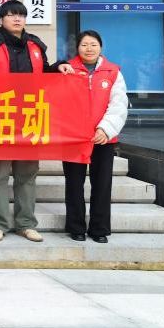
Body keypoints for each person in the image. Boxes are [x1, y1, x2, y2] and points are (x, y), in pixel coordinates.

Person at [0, 0, 71, 243]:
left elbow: (45, 72)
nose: (17, 19)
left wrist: (59, 67)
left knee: (27, 174)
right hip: (0, 118)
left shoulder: (35, 45)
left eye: (21, 15)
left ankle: (26, 223)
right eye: (11, 15)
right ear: (1, 19)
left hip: (30, 117)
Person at [63, 30, 129, 243]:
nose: (89, 49)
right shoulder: (67, 69)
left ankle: (99, 229)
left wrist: (105, 129)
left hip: (103, 138)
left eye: (93, 44)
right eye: (84, 45)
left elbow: (119, 104)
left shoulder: (113, 72)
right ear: (77, 48)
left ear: (100, 47)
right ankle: (76, 227)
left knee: (102, 184)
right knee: (74, 184)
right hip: (75, 138)